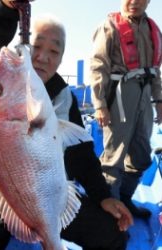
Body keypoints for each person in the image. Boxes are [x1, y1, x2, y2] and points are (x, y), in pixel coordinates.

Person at [0, 0, 133, 249]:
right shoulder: (3, 79)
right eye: (36, 46)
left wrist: (102, 196)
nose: (43, 57)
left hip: (50, 195)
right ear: (24, 44)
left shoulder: (64, 96)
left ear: (60, 60)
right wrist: (1, 8)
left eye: (54, 52)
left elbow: (82, 156)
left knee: (113, 235)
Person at [89, 0, 162, 219]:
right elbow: (98, 65)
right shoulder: (109, 25)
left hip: (145, 98)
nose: (135, 2)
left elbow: (156, 70)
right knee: (113, 158)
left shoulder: (153, 29)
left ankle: (123, 199)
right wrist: (100, 104)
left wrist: (159, 100)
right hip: (119, 97)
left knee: (141, 157)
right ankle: (112, 217)